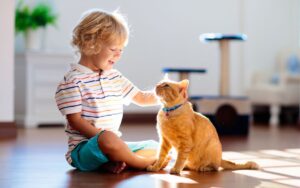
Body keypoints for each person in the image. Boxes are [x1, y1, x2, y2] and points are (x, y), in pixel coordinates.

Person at [55, 9, 160, 173]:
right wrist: (102, 137)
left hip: (113, 144)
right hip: (84, 150)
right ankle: (141, 163)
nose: (118, 55)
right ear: (91, 44)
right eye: (113, 49)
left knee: (153, 146)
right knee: (109, 139)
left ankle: (114, 161)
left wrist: (167, 95)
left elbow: (141, 98)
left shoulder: (114, 77)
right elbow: (75, 121)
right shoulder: (73, 81)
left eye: (121, 49)